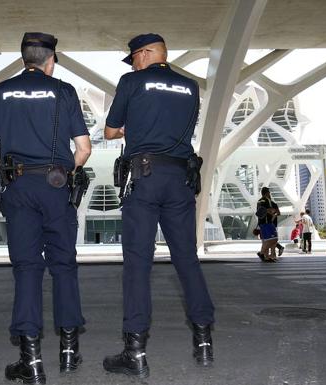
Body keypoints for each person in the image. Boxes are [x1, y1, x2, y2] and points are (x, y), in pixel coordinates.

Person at [0, 32, 92, 385]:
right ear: (51, 61)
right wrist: (63, 173)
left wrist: (4, 175)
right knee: (64, 265)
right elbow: (84, 148)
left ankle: (32, 361)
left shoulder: (0, 91)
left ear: (24, 59)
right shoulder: (64, 91)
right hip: (56, 185)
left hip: (19, 185)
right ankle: (69, 352)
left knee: (27, 268)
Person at [102, 33, 214, 377]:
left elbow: (109, 131)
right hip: (181, 179)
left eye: (134, 56)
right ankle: (204, 342)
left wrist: (131, 129)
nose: (132, 63)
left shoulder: (132, 81)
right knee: (187, 260)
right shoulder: (190, 86)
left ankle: (134, 352)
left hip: (145, 178)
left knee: (138, 263)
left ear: (147, 53)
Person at [255, 187, 280, 262]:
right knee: (274, 239)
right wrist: (273, 213)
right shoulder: (267, 200)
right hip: (267, 223)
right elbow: (270, 210)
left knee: (266, 240)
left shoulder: (259, 201)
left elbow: (260, 211)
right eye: (269, 192)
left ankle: (266, 257)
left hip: (262, 223)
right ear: (267, 193)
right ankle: (261, 253)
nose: (270, 193)